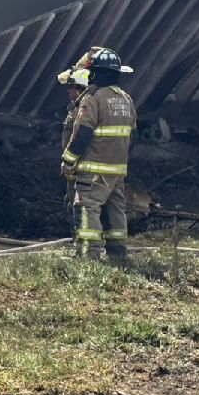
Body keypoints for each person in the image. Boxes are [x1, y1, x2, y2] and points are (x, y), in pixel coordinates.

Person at [61, 47, 136, 261]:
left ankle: (88, 257)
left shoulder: (93, 98)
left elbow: (83, 132)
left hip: (93, 170)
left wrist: (68, 161)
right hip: (117, 171)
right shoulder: (126, 99)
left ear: (96, 73)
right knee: (115, 211)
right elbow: (133, 135)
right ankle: (118, 254)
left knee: (87, 209)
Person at [56, 63, 91, 231]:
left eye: (70, 87)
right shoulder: (76, 108)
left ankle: (82, 239)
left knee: (78, 206)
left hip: (80, 167)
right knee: (72, 203)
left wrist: (69, 161)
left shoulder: (83, 110)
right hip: (74, 168)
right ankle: (79, 238)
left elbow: (81, 138)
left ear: (79, 89)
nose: (68, 91)